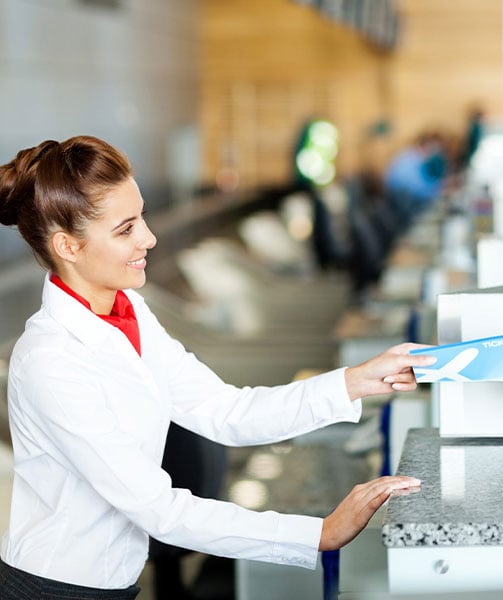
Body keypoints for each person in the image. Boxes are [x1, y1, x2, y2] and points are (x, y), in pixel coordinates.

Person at [0, 135, 436, 598]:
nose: (149, 237)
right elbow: (160, 510)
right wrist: (318, 534)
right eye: (125, 229)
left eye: (142, 216)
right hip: (56, 588)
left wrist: (355, 382)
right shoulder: (50, 361)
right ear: (68, 246)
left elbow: (226, 411)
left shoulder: (129, 313)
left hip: (114, 580)